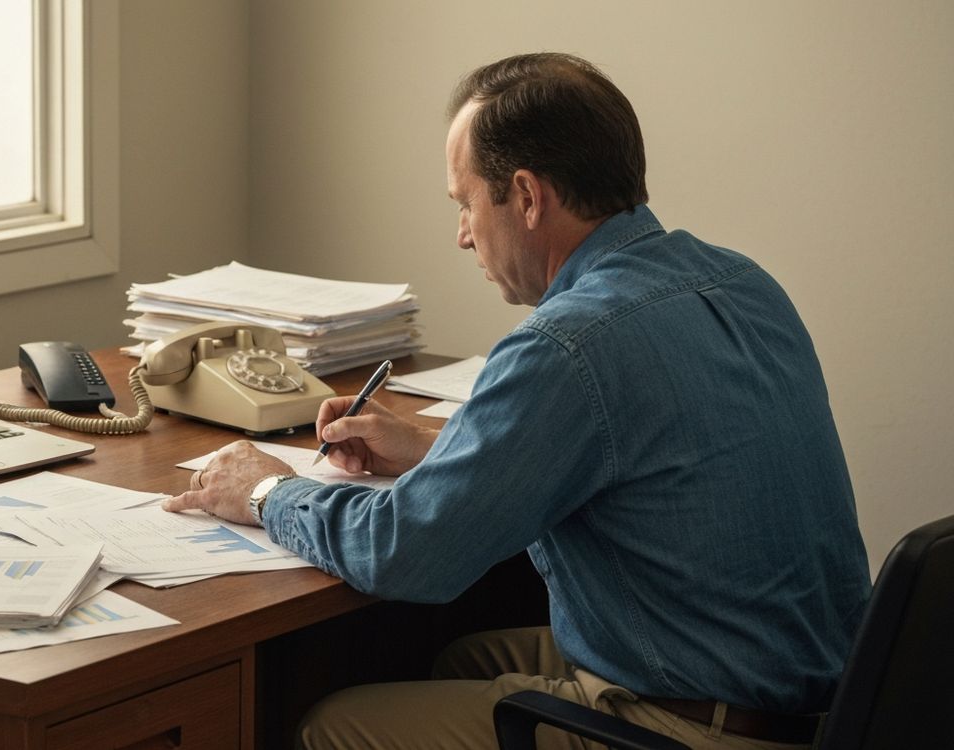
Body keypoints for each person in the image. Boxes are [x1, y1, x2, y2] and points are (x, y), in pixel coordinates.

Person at [162, 52, 871, 749]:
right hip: (826, 703)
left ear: (527, 197)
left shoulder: (569, 344)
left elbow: (404, 555)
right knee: (462, 662)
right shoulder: (743, 282)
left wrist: (266, 492)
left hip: (692, 726)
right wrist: (437, 454)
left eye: (466, 203)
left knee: (335, 725)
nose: (463, 233)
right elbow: (641, 463)